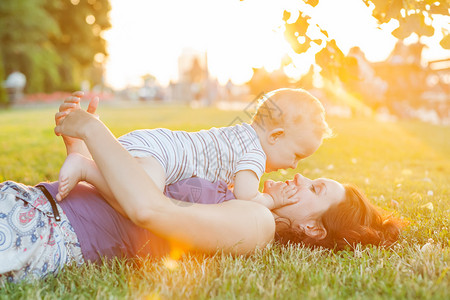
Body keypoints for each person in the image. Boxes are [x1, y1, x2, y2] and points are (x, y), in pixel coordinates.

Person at [0, 97, 401, 284]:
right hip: (26, 203)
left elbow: (148, 209)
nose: (299, 176)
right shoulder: (235, 179)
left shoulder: (255, 220)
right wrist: (83, 150)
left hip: (40, 234)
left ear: (314, 229)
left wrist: (91, 132)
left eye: (315, 188)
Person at [56, 88, 332, 212]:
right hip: (160, 154)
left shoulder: (242, 136)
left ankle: (95, 154)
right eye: (296, 155)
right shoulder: (254, 154)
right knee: (145, 192)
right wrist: (272, 201)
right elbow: (246, 198)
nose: (295, 166)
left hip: (154, 145)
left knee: (134, 184)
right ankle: (86, 167)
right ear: (276, 135)